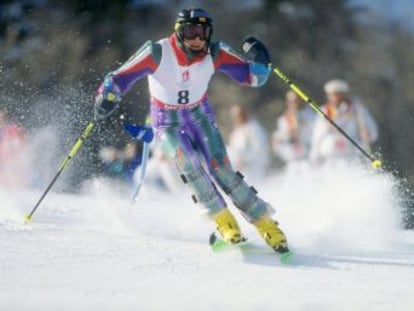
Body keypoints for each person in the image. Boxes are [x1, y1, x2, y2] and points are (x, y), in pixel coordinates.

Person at [94, 8, 290, 254]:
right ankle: (224, 223)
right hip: (166, 120)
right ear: (179, 32)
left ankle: (266, 224)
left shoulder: (215, 52)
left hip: (199, 116)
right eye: (190, 32)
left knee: (222, 168)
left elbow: (253, 77)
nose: (197, 39)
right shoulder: (158, 52)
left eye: (202, 32)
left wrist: (262, 63)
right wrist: (107, 94)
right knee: (189, 165)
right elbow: (120, 77)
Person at [310, 79, 378, 164]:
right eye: (331, 94)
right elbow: (317, 136)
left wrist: (367, 134)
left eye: (337, 94)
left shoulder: (358, 109)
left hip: (351, 158)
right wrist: (314, 158)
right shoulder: (324, 110)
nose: (334, 97)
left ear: (344, 94)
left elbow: (373, 133)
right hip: (329, 158)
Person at [227, 104, 269, 181]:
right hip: (241, 169)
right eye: (235, 117)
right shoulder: (236, 131)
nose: (238, 118)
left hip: (254, 168)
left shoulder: (254, 128)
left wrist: (246, 160)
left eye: (239, 115)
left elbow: (259, 147)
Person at [272, 90, 314, 164]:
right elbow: (278, 142)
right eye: (290, 101)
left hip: (308, 159)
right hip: (291, 161)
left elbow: (314, 135)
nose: (293, 104)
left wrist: (300, 129)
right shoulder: (283, 119)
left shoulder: (311, 116)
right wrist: (287, 135)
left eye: (295, 101)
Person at [0, 109, 28, 188]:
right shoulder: (5, 130)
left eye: (2, 117)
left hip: (12, 157)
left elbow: (20, 142)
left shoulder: (13, 129)